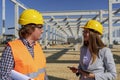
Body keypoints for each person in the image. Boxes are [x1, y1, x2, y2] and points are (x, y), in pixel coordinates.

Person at [0, 9, 49, 80]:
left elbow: (43, 72)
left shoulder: (38, 47)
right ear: (30, 28)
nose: (42, 31)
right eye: (40, 27)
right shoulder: (12, 49)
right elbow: (4, 77)